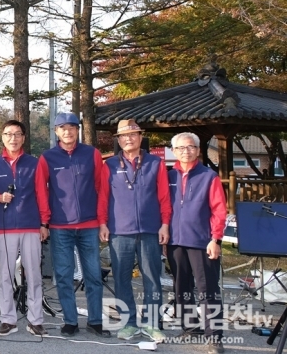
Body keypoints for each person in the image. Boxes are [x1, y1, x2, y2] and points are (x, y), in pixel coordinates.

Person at [35, 113, 110, 337]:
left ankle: (95, 321)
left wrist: (102, 221)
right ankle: (70, 321)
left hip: (89, 225)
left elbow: (102, 189)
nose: (67, 131)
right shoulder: (47, 158)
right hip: (60, 227)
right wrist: (44, 222)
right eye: (62, 128)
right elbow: (41, 191)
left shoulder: (92, 154)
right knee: (64, 275)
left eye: (72, 127)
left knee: (93, 275)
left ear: (78, 130)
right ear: (56, 131)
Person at [99, 119, 170, 342]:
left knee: (152, 278)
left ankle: (152, 323)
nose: (128, 139)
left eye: (133, 135)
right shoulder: (109, 165)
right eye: (124, 136)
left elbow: (164, 197)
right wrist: (102, 223)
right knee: (121, 279)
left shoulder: (156, 163)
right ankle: (128, 323)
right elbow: (103, 197)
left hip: (150, 229)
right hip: (119, 231)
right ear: (118, 140)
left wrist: (165, 224)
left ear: (140, 137)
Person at [0, 120, 50, 337]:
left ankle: (35, 320)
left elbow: (42, 194)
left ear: (23, 138)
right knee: (6, 275)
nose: (13, 138)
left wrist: (44, 223)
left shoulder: (34, 163)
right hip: (5, 227)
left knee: (34, 274)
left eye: (17, 134)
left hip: (31, 226)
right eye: (9, 134)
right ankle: (8, 320)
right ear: (2, 137)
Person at [167, 132, 227, 354]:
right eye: (181, 148)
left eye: (191, 147)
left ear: (198, 150)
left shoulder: (209, 176)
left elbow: (219, 210)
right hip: (175, 241)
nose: (186, 151)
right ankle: (190, 327)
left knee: (207, 289)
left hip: (202, 241)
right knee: (181, 286)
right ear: (174, 151)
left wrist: (216, 239)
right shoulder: (168, 176)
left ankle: (215, 337)